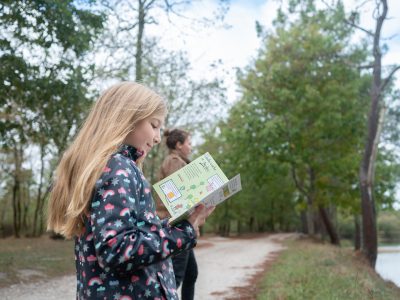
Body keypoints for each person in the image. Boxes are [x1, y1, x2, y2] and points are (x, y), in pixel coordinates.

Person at [47, 82, 214, 300]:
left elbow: (128, 233)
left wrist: (181, 223)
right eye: (154, 125)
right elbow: (116, 249)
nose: (156, 138)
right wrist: (185, 230)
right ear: (126, 119)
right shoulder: (119, 168)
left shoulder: (107, 166)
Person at [156, 129, 197, 300]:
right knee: (175, 279)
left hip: (178, 223)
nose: (191, 147)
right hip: (176, 225)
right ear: (179, 145)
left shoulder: (179, 161)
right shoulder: (175, 162)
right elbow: (176, 197)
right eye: (188, 143)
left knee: (190, 274)